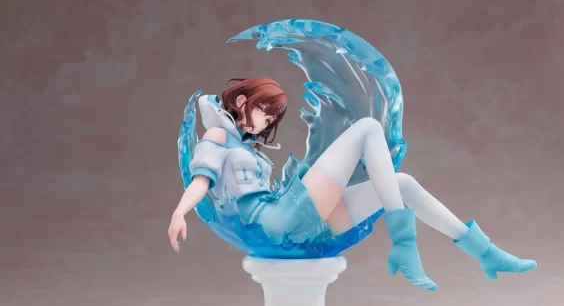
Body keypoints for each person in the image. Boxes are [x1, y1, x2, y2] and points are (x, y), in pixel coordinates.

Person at [168, 77, 537, 291]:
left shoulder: (244, 145)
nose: (266, 124)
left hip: (293, 224)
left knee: (403, 183)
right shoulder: (218, 135)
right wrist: (179, 213)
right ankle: (404, 246)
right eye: (266, 114)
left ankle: (486, 253)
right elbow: (202, 180)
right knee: (368, 128)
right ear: (243, 101)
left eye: (271, 120)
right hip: (278, 220)